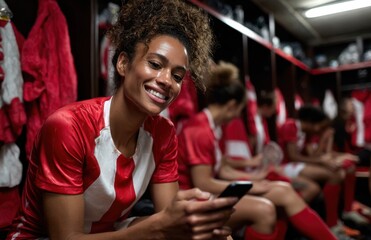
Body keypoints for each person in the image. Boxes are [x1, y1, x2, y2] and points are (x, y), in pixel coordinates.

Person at [6, 1, 238, 239]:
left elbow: (168, 220)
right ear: (123, 63)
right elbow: (66, 237)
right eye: (155, 64)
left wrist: (196, 222)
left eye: (177, 76)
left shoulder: (163, 133)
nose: (167, 80)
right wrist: (160, 226)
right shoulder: (69, 127)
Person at [177, 61, 336, 240]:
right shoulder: (199, 130)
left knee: (283, 190)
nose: (238, 116)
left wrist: (254, 178)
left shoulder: (213, 127)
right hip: (193, 199)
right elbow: (203, 182)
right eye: (239, 110)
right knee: (264, 210)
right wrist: (251, 186)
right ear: (231, 105)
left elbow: (222, 169)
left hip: (209, 192)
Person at [277, 105, 364, 238]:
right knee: (334, 174)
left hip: (297, 165)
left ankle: (336, 220)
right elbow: (293, 156)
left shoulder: (306, 132)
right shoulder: (291, 125)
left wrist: (327, 152)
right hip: (284, 166)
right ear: (311, 122)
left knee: (341, 170)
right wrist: (322, 160)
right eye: (320, 126)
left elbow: (314, 155)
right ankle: (332, 224)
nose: (320, 130)